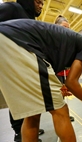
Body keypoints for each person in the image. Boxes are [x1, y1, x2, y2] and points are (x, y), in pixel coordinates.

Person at [0, 19, 82, 142]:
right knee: (61, 111)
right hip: (17, 44)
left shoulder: (70, 41)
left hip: (5, 39)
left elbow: (56, 67)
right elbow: (71, 82)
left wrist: (60, 85)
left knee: (32, 113)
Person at [0, 0, 44, 141]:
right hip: (12, 66)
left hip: (26, 66)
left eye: (43, 3)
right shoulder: (12, 8)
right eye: (38, 2)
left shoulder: (30, 18)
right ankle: (19, 134)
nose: (41, 6)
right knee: (18, 101)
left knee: (30, 101)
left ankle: (28, 129)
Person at [55, 15, 75, 122]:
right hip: (55, 73)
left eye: (68, 28)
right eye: (64, 27)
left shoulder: (67, 43)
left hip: (64, 73)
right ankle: (60, 116)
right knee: (58, 95)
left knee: (63, 94)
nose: (66, 30)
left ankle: (64, 115)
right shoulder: (52, 40)